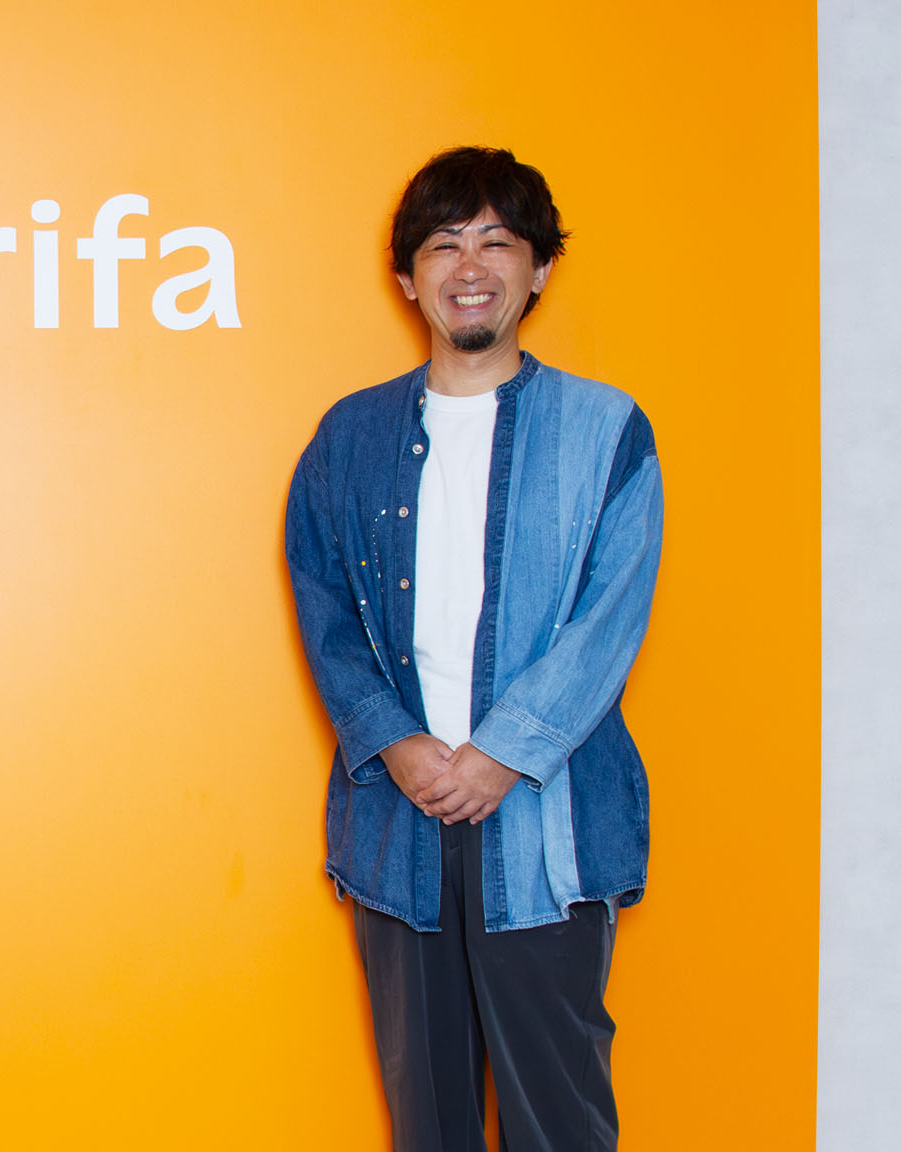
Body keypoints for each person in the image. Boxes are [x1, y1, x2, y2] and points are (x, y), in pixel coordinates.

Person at [284, 146, 663, 1151]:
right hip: (396, 821)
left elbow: (611, 616)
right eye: (444, 244)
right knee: (428, 1120)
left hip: (545, 821)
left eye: (497, 241)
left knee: (558, 1118)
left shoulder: (606, 430)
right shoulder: (349, 437)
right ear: (408, 278)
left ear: (541, 267)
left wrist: (502, 752)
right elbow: (323, 605)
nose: (470, 266)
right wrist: (397, 743)